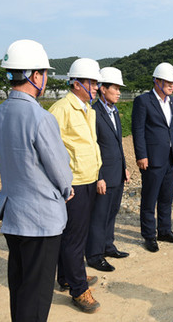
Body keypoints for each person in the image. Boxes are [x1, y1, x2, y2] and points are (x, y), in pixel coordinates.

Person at [0, 39, 74, 321]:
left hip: (13, 213)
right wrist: (66, 188)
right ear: (35, 75)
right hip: (40, 218)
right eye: (45, 73)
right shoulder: (39, 117)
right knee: (37, 294)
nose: (46, 79)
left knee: (20, 285)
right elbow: (59, 167)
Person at [49, 58, 102, 313]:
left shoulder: (88, 110)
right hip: (75, 183)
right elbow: (49, 148)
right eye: (92, 82)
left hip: (89, 178)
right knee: (74, 238)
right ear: (77, 83)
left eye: (96, 82)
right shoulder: (61, 109)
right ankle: (79, 290)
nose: (96, 87)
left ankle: (68, 276)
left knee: (74, 235)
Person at [132, 62, 173, 252]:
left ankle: (164, 230)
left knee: (166, 197)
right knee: (149, 198)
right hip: (152, 158)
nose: (171, 85)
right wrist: (141, 155)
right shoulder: (143, 101)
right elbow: (138, 130)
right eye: (168, 82)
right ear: (157, 81)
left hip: (170, 158)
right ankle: (149, 235)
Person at [85, 67, 130, 272]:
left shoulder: (114, 111)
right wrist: (99, 176)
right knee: (99, 215)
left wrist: (124, 168)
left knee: (112, 212)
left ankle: (108, 246)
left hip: (117, 172)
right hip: (103, 175)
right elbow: (93, 146)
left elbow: (117, 144)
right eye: (115, 88)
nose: (119, 92)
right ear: (103, 89)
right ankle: (94, 255)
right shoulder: (94, 112)